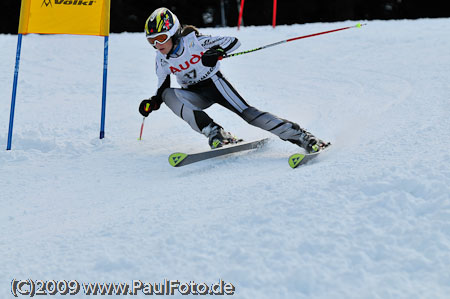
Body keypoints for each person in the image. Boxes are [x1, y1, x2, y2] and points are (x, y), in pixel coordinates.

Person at [139, 7, 327, 152]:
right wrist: (153, 102)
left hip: (214, 85)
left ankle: (303, 137)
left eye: (161, 37)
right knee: (167, 94)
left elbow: (233, 42)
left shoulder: (193, 41)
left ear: (173, 32)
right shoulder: (161, 58)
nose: (157, 44)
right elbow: (162, 87)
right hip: (194, 94)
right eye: (151, 41)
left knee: (249, 115)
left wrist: (216, 53)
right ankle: (216, 133)